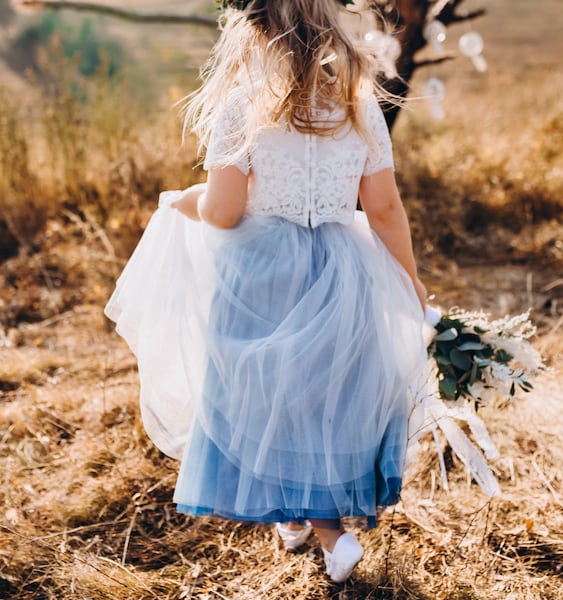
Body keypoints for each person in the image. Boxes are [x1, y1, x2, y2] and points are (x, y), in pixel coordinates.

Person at [105, 0, 429, 583]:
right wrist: (408, 276)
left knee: (265, 394)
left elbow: (224, 213)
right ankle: (303, 523)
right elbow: (382, 207)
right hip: (340, 263)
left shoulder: (244, 104)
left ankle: (330, 534)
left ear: (253, 31)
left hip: (261, 267)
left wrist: (183, 201)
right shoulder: (359, 102)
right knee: (325, 392)